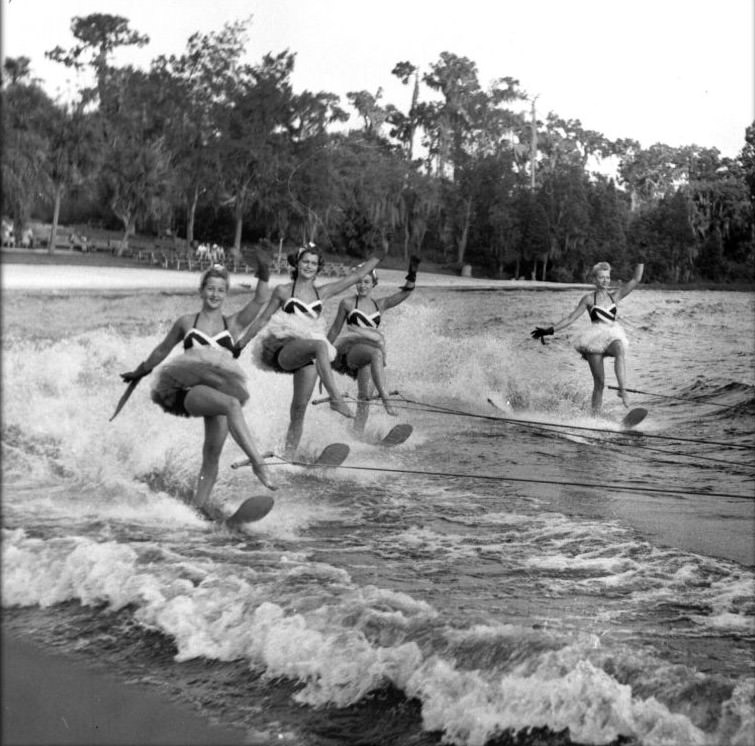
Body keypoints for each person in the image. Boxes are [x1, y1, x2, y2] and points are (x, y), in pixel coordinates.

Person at [120, 260, 277, 520]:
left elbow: (261, 300)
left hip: (221, 388)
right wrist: (142, 370)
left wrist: (263, 270)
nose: (215, 294)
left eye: (220, 290)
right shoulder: (186, 322)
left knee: (212, 453)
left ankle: (197, 507)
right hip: (190, 389)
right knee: (231, 405)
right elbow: (162, 349)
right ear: (202, 290)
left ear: (226, 294)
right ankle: (258, 463)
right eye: (211, 289)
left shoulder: (233, 324)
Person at [235, 243, 383, 456]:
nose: (309, 266)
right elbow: (263, 319)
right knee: (321, 345)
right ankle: (335, 399)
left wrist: (380, 252)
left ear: (318, 267)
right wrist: (241, 343)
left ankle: (288, 455)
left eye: (314, 263)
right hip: (284, 347)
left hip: (309, 353)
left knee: (299, 409)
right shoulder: (284, 291)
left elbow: (357, 275)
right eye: (305, 261)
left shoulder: (322, 292)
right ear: (297, 263)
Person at [531, 262, 644, 414]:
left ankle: (622, 390)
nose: (605, 280)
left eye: (607, 277)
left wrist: (641, 259)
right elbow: (571, 318)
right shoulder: (589, 299)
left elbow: (636, 279)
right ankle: (594, 417)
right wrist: (549, 330)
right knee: (600, 383)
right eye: (601, 277)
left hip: (612, 335)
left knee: (619, 348)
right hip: (594, 340)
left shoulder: (615, 296)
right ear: (595, 280)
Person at [326, 256, 420, 433]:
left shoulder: (380, 304)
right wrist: (323, 355)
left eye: (366, 282)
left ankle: (357, 434)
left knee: (364, 398)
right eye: (359, 282)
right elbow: (334, 331)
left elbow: (406, 292)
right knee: (376, 353)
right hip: (351, 350)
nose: (362, 285)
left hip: (369, 356)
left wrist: (412, 273)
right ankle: (386, 399)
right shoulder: (347, 303)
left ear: (373, 283)